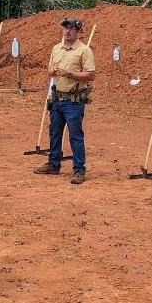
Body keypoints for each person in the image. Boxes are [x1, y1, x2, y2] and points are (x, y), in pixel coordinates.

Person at [34, 17, 95, 184]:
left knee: (75, 135)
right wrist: (51, 71)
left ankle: (79, 170)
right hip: (57, 98)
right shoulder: (56, 48)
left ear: (77, 31)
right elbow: (49, 69)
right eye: (65, 28)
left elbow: (91, 74)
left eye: (71, 29)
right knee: (54, 132)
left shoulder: (84, 51)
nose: (68, 31)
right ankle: (53, 164)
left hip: (74, 100)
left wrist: (69, 73)